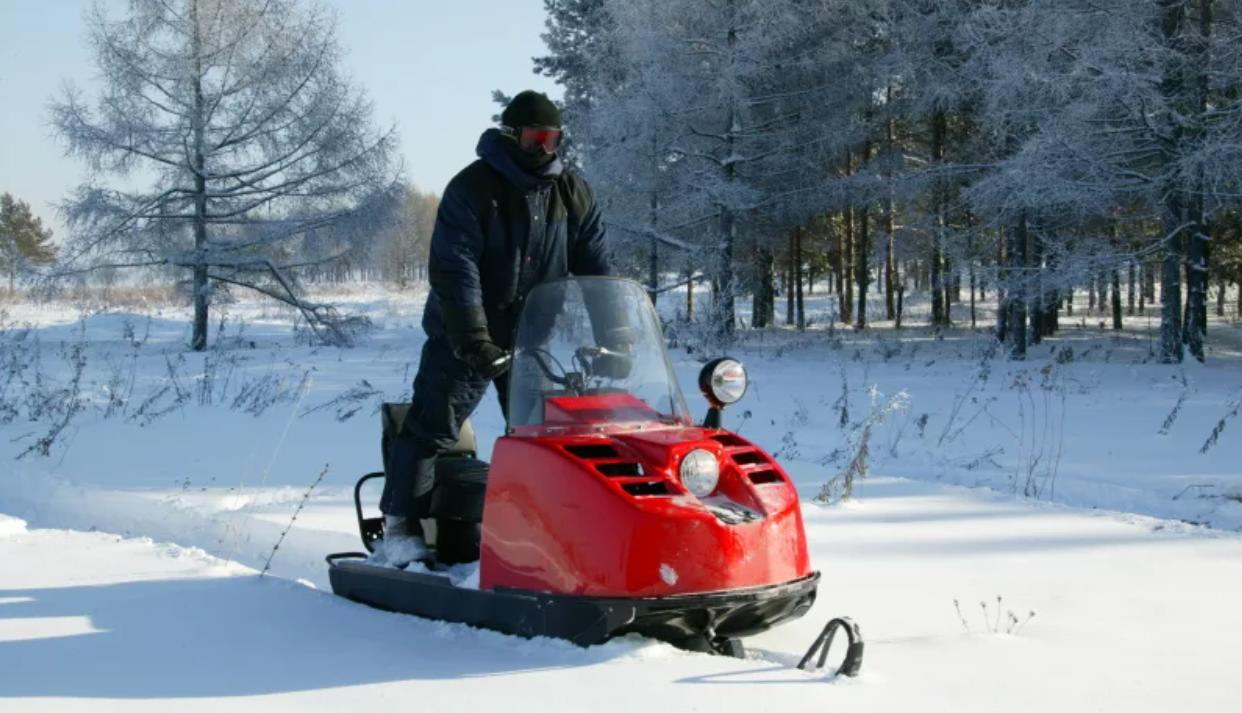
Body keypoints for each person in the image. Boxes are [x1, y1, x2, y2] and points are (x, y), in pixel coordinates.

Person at [374, 90, 614, 566]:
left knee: (538, 433)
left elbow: (596, 267)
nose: (545, 149)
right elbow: (454, 269)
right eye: (535, 138)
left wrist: (616, 335)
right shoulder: (473, 188)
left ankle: (537, 530)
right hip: (463, 335)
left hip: (531, 336)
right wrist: (473, 339)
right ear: (512, 136)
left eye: (553, 139)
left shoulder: (572, 191)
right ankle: (401, 527)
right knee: (433, 428)